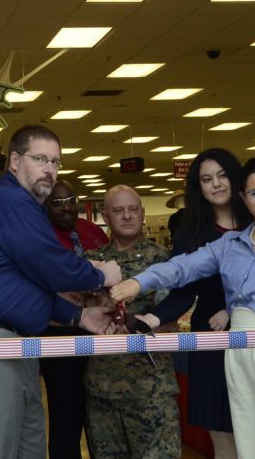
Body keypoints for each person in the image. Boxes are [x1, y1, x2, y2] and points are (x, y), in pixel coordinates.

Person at [110, 158, 255, 459]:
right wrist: (138, 282)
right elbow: (181, 267)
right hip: (237, 357)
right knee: (249, 450)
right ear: (242, 197)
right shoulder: (229, 244)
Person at [0, 125, 122, 459]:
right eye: (40, 159)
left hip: (13, 341)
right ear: (15, 161)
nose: (50, 169)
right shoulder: (9, 200)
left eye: (56, 162)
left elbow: (26, 282)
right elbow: (52, 267)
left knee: (29, 448)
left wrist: (78, 315)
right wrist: (99, 273)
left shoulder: (21, 205)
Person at [137, 149, 252, 459]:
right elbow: (182, 292)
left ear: (235, 177)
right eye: (206, 179)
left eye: (222, 175)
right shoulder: (192, 232)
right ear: (197, 187)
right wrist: (152, 318)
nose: (215, 184)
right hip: (211, 340)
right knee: (221, 431)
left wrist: (233, 309)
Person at [83, 186, 180, 459]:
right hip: (102, 388)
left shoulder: (162, 261)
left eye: (133, 209)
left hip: (150, 389)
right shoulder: (92, 265)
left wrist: (134, 323)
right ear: (105, 216)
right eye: (118, 210)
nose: (127, 216)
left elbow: (170, 317)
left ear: (143, 213)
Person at [40, 179, 109, 459]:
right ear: (44, 206)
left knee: (99, 414)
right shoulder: (40, 235)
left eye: (70, 200)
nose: (67, 208)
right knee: (67, 413)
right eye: (57, 203)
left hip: (99, 332)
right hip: (60, 334)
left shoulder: (91, 231)